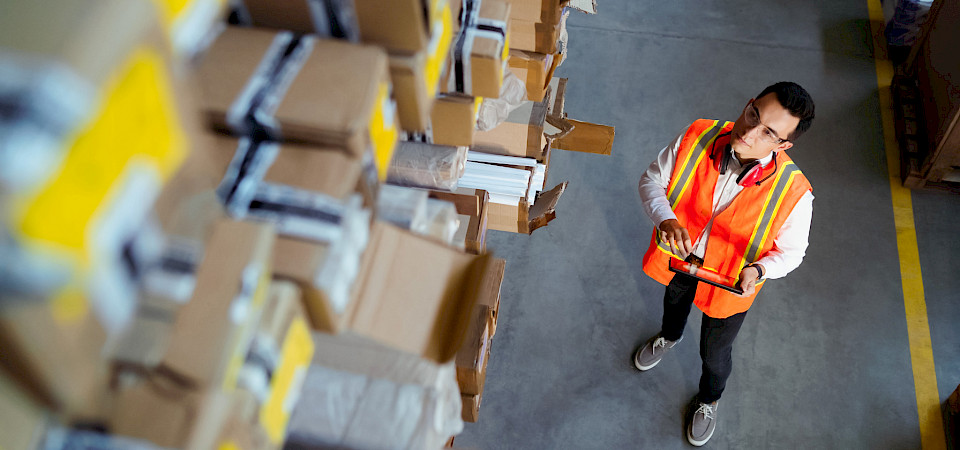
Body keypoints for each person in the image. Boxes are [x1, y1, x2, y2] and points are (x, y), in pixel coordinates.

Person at [634, 82, 815, 446]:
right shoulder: (698, 134)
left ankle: (709, 399)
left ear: (783, 146)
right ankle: (670, 336)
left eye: (768, 132)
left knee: (715, 354)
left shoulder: (795, 192)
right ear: (749, 103)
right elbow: (652, 179)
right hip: (682, 260)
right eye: (753, 114)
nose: (749, 131)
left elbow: (793, 253)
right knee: (673, 305)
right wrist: (666, 219)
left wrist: (760, 270)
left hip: (730, 280)